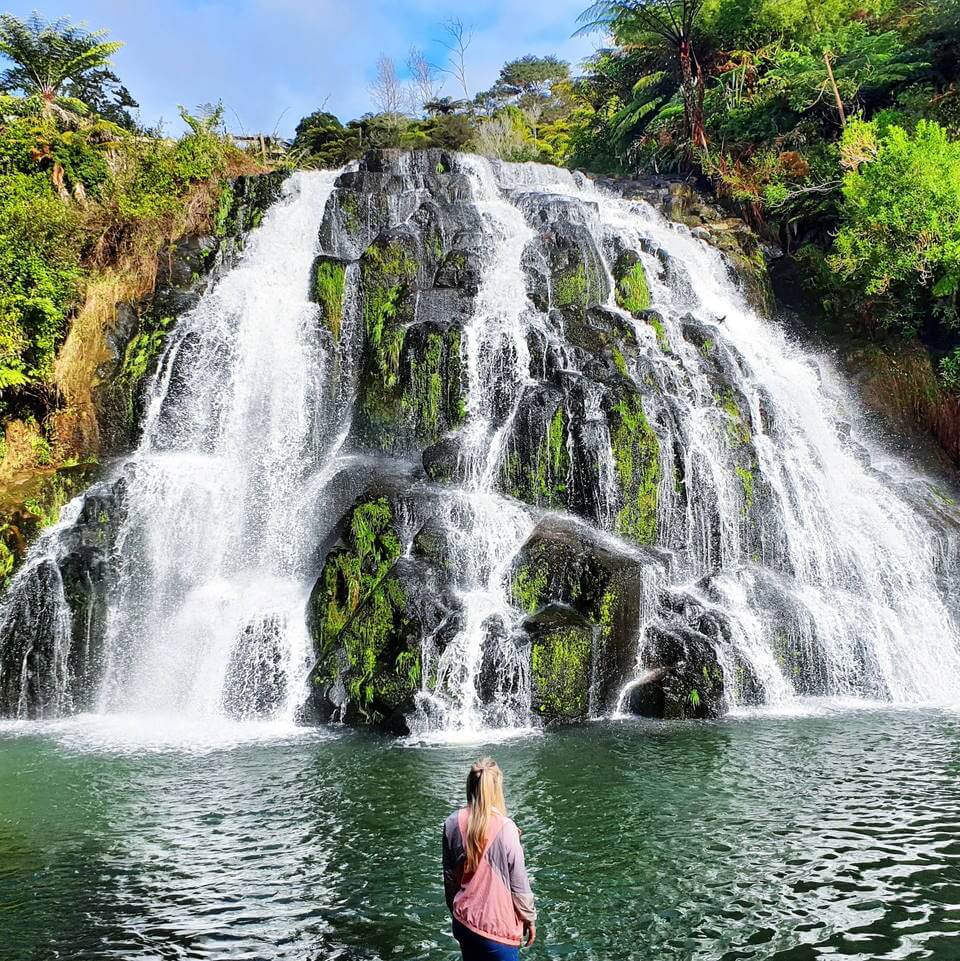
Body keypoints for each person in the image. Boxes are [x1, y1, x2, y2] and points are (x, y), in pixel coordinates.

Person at [442, 757, 537, 960]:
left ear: (470, 785)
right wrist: (529, 919)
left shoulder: (451, 823)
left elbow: (450, 882)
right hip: (496, 930)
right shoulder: (506, 828)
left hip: (464, 923)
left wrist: (459, 912)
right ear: (496, 789)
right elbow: (519, 885)